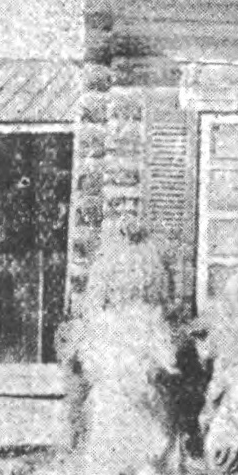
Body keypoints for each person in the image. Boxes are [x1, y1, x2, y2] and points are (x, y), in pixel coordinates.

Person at [66, 184, 179, 446]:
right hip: (114, 324)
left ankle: (168, 439)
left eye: (135, 208)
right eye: (122, 209)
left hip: (151, 323)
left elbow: (169, 297)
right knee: (88, 369)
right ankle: (80, 433)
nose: (129, 215)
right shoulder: (106, 255)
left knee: (165, 374)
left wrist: (160, 319)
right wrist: (96, 326)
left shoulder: (156, 254)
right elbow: (94, 299)